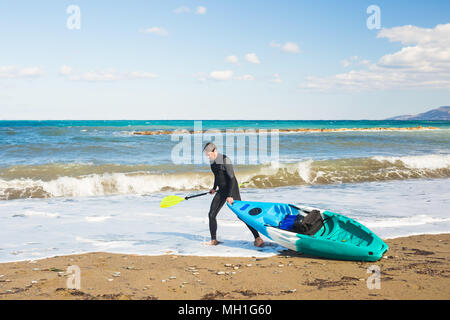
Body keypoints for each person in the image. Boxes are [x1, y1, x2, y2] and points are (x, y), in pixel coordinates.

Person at [203, 142, 264, 247]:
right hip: (221, 190)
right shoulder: (212, 162)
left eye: (209, 154)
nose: (208, 157)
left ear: (215, 151)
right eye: (206, 155)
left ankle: (258, 238)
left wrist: (230, 195)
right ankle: (214, 240)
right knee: (211, 214)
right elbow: (217, 176)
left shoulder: (225, 160)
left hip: (232, 189)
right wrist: (214, 188)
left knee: (241, 215)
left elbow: (231, 178)